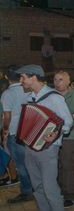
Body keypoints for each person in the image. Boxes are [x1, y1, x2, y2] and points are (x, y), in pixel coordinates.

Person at [17, 64, 73, 211]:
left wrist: (55, 132)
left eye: (23, 77)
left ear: (34, 77)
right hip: (30, 147)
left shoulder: (54, 97)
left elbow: (68, 122)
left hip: (48, 149)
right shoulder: (30, 96)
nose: (21, 81)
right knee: (37, 187)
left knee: (50, 188)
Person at [54, 71, 74, 208]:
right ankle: (59, 191)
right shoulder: (51, 95)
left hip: (69, 136)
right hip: (53, 135)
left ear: (68, 82)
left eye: (60, 79)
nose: (57, 82)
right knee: (56, 165)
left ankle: (70, 195)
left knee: (67, 166)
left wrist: (67, 115)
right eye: (55, 79)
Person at [1, 65, 32, 202]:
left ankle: (26, 192)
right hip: (29, 131)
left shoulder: (7, 93)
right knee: (30, 162)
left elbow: (6, 115)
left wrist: (5, 130)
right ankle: (34, 188)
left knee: (20, 165)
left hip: (15, 132)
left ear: (7, 77)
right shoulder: (28, 89)